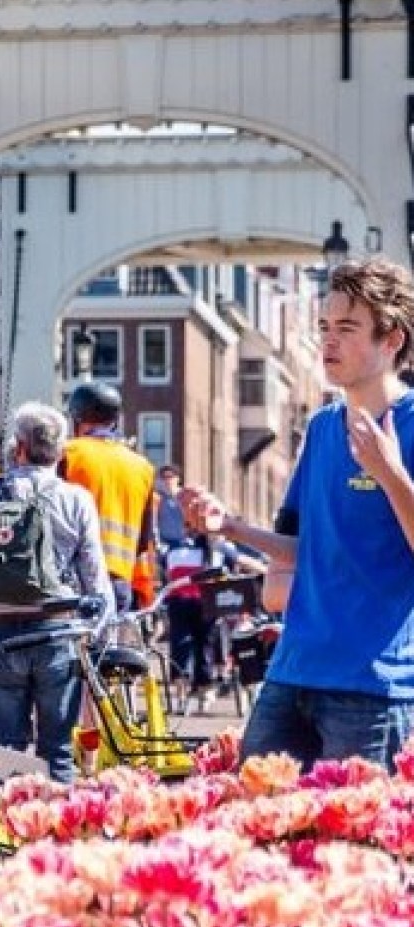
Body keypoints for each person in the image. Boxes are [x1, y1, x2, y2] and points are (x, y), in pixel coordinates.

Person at [181, 255, 414, 769]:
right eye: (325, 327)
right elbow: (310, 551)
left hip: (371, 684)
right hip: (293, 669)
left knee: (361, 841)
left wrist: (389, 470)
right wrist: (232, 528)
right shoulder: (324, 428)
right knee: (251, 822)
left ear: (391, 339)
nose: (329, 341)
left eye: (347, 328)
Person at [0, 402, 114, 782]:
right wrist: (99, 636)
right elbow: (96, 579)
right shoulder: (77, 499)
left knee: (3, 749)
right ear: (59, 451)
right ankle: (57, 833)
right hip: (58, 633)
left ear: (17, 447)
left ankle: (2, 833)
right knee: (57, 750)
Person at [60, 381, 157, 613]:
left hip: (75, 577)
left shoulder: (68, 454)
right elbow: (144, 540)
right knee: (110, 648)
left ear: (76, 419)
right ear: (115, 421)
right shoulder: (142, 466)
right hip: (119, 579)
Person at [161, 506, 245, 714]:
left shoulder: (219, 548)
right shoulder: (176, 547)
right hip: (181, 601)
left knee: (206, 646)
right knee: (181, 645)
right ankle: (182, 692)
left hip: (208, 603)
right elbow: (166, 571)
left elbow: (236, 565)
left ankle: (203, 690)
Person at [155, 464, 186, 550]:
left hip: (184, 543)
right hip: (165, 544)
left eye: (170, 477)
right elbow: (155, 523)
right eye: (163, 477)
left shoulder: (186, 497)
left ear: (178, 478)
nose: (167, 480)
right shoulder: (158, 499)